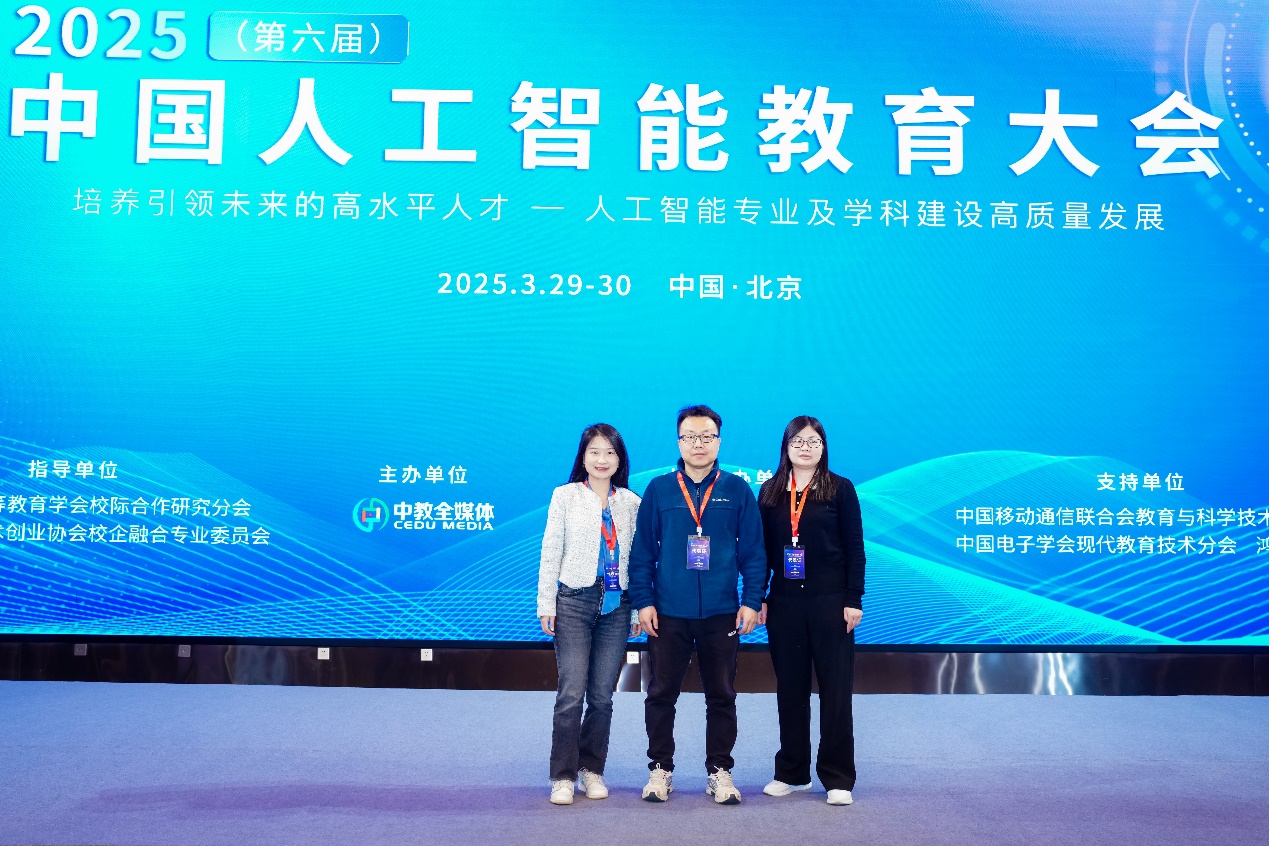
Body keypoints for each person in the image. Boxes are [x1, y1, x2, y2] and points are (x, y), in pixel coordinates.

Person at [628, 405, 766, 805]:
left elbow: (753, 552)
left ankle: (719, 771)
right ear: (679, 442)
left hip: (722, 612)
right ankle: (660, 769)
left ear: (719, 441)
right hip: (668, 612)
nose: (698, 444)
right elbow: (642, 553)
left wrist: (752, 600)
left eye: (707, 436)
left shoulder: (737, 489)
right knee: (661, 694)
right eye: (690, 436)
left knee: (721, 695)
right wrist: (643, 602)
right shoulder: (659, 489)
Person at [756, 416, 866, 806]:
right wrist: (759, 597)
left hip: (831, 603)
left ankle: (837, 777)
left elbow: (854, 547)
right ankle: (792, 771)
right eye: (798, 441)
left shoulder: (840, 488)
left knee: (835, 691)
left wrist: (854, 599)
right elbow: (762, 552)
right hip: (784, 604)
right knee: (791, 689)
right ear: (786, 447)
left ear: (823, 447)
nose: (806, 448)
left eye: (813, 441)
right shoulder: (770, 491)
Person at [537, 423, 642, 806]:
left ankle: (591, 769)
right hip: (573, 601)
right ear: (583, 457)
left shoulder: (630, 502)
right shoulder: (564, 496)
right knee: (571, 694)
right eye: (595, 451)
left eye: (610, 452)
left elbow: (638, 560)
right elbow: (551, 550)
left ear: (620, 459)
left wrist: (637, 609)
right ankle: (563, 776)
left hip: (618, 605)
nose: (602, 459)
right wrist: (546, 603)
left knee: (602, 696)